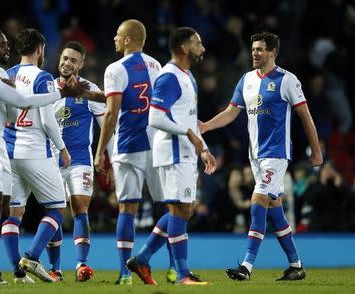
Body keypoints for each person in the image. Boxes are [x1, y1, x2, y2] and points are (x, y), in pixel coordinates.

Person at [0, 27, 87, 286]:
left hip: (3, 144)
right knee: (40, 205)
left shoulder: (4, 73)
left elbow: (11, 114)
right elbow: (29, 106)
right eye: (1, 45)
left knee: (5, 210)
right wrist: (63, 94)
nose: (6, 48)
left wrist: (14, 95)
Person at [199, 32, 323, 281]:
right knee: (275, 211)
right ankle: (296, 265)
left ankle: (246, 266)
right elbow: (231, 112)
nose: (254, 53)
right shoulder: (246, 80)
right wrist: (206, 127)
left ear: (273, 52)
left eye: (260, 50)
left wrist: (316, 151)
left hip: (276, 154)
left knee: (257, 203)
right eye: (253, 49)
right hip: (254, 156)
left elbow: (305, 116)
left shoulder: (287, 80)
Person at [127, 27, 216, 286]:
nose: (203, 48)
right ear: (184, 48)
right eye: (198, 43)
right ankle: (182, 274)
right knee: (180, 209)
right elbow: (155, 117)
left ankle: (143, 258)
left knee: (181, 210)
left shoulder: (187, 76)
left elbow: (189, 121)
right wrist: (189, 134)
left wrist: (204, 147)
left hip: (186, 151)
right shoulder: (168, 77)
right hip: (173, 151)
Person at [94, 19, 174, 285]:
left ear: (128, 40)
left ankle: (125, 273)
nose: (115, 39)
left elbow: (112, 111)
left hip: (129, 144)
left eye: (118, 35)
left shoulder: (115, 68)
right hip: (157, 143)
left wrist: (99, 152)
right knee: (170, 207)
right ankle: (173, 267)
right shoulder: (158, 66)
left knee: (127, 208)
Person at [1, 28, 69, 284]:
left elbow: (4, 114)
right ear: (40, 48)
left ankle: (18, 275)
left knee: (14, 213)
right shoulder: (43, 78)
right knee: (57, 207)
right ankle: (31, 257)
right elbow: (49, 121)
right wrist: (62, 148)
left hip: (9, 150)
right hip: (35, 152)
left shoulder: (7, 75)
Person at [48, 41, 113, 282]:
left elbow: (106, 126)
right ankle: (55, 269)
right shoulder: (47, 88)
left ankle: (81, 265)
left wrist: (110, 158)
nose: (67, 63)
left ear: (81, 64)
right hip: (50, 163)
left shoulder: (89, 89)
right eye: (65, 58)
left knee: (80, 207)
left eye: (73, 60)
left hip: (80, 160)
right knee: (53, 211)